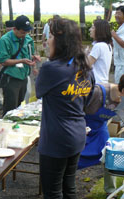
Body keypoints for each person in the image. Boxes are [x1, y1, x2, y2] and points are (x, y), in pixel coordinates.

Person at [35, 18, 95, 198]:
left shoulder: (51, 69)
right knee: (69, 188)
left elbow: (39, 91)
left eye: (51, 35)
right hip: (77, 134)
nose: (47, 40)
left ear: (60, 40)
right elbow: (88, 99)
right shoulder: (85, 67)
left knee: (52, 192)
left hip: (56, 139)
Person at [80, 72, 124, 196]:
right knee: (73, 157)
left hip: (99, 128)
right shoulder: (97, 93)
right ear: (123, 91)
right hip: (81, 126)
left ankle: (110, 191)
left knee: (110, 155)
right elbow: (75, 109)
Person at [0, 15, 40, 116]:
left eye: (27, 32)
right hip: (11, 78)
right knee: (10, 109)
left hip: (24, 77)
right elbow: (3, 61)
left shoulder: (28, 39)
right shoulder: (5, 40)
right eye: (23, 32)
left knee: (21, 108)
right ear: (15, 29)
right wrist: (21, 60)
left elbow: (30, 54)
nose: (25, 35)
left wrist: (34, 58)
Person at [88, 19, 113, 84]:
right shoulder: (108, 45)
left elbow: (86, 64)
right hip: (103, 81)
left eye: (93, 27)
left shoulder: (98, 46)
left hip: (96, 83)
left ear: (99, 30)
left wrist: (84, 54)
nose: (90, 29)